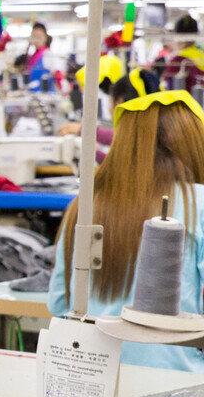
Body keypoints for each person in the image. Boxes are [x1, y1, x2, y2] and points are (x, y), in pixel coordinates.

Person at [50, 91, 204, 371]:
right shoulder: (200, 204)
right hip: (180, 381)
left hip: (94, 377)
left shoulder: (85, 205)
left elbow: (59, 303)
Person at [59, 68, 161, 164]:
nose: (109, 108)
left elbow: (121, 167)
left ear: (120, 102)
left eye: (111, 101)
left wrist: (92, 149)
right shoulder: (152, 127)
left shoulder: (142, 134)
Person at [25, 22, 60, 92]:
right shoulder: (32, 56)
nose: (36, 40)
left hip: (46, 96)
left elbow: (57, 74)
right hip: (34, 94)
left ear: (45, 38)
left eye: (39, 37)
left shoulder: (47, 54)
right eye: (34, 36)